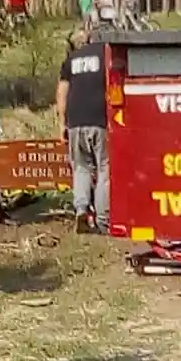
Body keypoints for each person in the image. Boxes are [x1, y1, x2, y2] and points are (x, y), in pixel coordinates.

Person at [57, 29, 109, 234]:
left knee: (81, 167)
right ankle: (104, 219)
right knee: (105, 168)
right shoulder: (105, 55)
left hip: (76, 120)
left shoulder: (70, 60)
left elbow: (62, 91)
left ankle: (81, 210)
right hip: (100, 119)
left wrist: (62, 123)